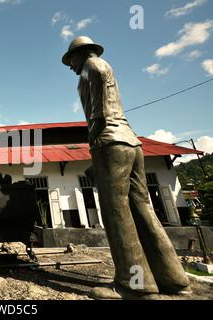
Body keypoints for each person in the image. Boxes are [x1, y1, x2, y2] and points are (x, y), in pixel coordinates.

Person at [62, 36, 191, 299]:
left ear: (81, 54)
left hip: (109, 141)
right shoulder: (103, 67)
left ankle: (133, 284)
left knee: (115, 211)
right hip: (131, 140)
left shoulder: (91, 69)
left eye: (70, 59)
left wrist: (96, 145)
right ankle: (173, 279)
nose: (70, 66)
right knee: (142, 207)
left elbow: (98, 114)